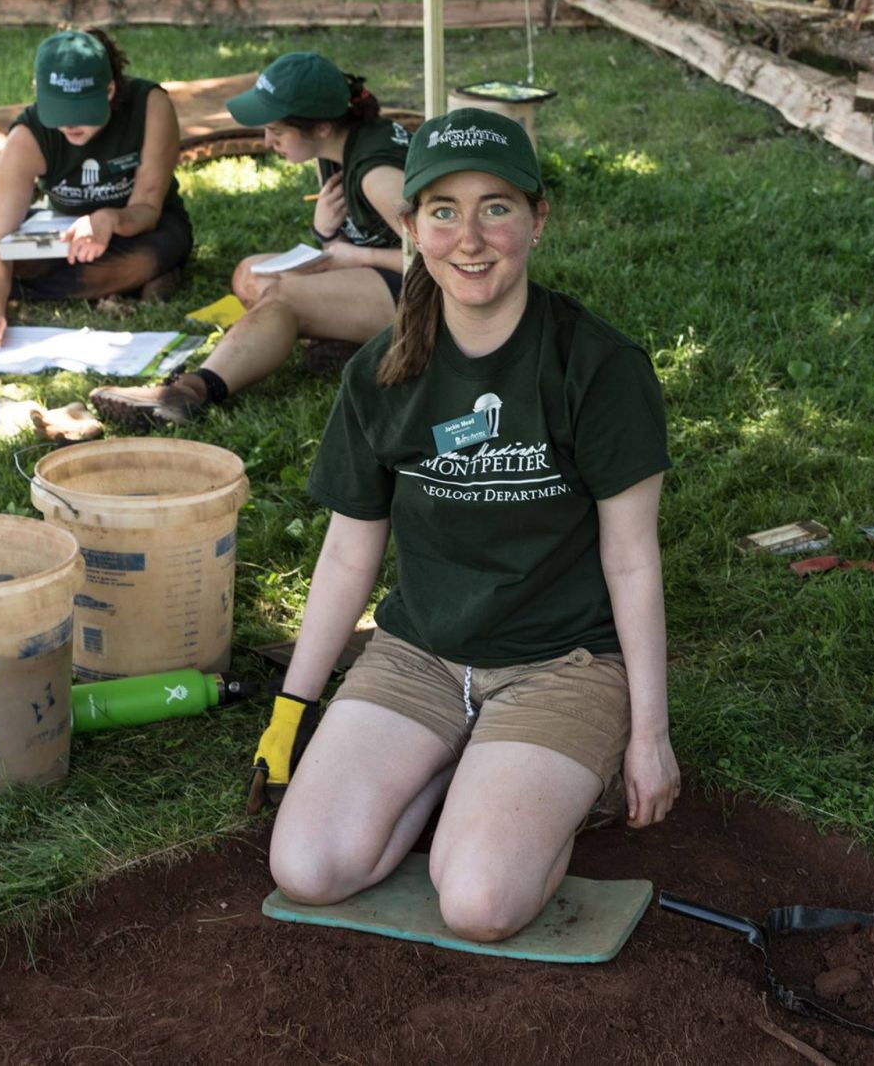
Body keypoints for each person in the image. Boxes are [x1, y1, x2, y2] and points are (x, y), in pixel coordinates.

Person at [251, 107, 678, 942]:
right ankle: (468, 765)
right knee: (307, 867)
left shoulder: (598, 366)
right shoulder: (381, 372)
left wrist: (652, 735)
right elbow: (347, 555)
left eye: (497, 207)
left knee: (479, 902)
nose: (470, 237)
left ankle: (525, 783)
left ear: (537, 217)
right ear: (409, 226)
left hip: (563, 663)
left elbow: (632, 560)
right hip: (420, 656)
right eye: (443, 210)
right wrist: (291, 708)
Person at [89, 52, 409, 428]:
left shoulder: (378, 176)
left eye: (277, 131)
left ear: (320, 127)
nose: (266, 140)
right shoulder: (337, 144)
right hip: (377, 273)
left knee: (284, 298)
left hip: (424, 297)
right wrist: (325, 233)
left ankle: (190, 392)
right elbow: (344, 242)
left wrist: (355, 255)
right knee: (250, 275)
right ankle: (341, 340)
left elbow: (443, 259)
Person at [0, 29, 190, 348]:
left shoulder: (150, 105)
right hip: (60, 231)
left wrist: (108, 220)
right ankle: (125, 283)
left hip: (139, 228)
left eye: (81, 113)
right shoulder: (26, 137)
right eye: (59, 113)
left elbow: (147, 207)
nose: (70, 125)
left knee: (140, 261)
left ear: (109, 90)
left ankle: (135, 274)